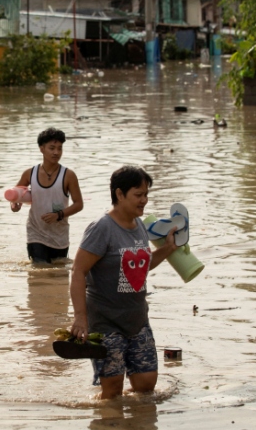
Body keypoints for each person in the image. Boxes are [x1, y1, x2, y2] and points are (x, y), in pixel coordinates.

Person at [68, 166, 177, 399]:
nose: (144, 200)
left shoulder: (139, 226)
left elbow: (141, 266)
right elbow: (78, 271)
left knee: (147, 386)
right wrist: (80, 318)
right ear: (119, 194)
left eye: (146, 194)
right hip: (106, 322)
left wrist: (167, 249)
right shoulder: (101, 228)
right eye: (138, 195)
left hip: (137, 319)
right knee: (112, 391)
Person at [11, 127, 84, 264]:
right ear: (41, 149)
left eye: (59, 148)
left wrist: (58, 215)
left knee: (58, 275)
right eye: (52, 148)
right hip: (35, 233)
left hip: (59, 235)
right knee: (40, 269)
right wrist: (15, 206)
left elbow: (79, 204)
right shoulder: (29, 174)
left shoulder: (68, 175)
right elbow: (15, 197)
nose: (56, 152)